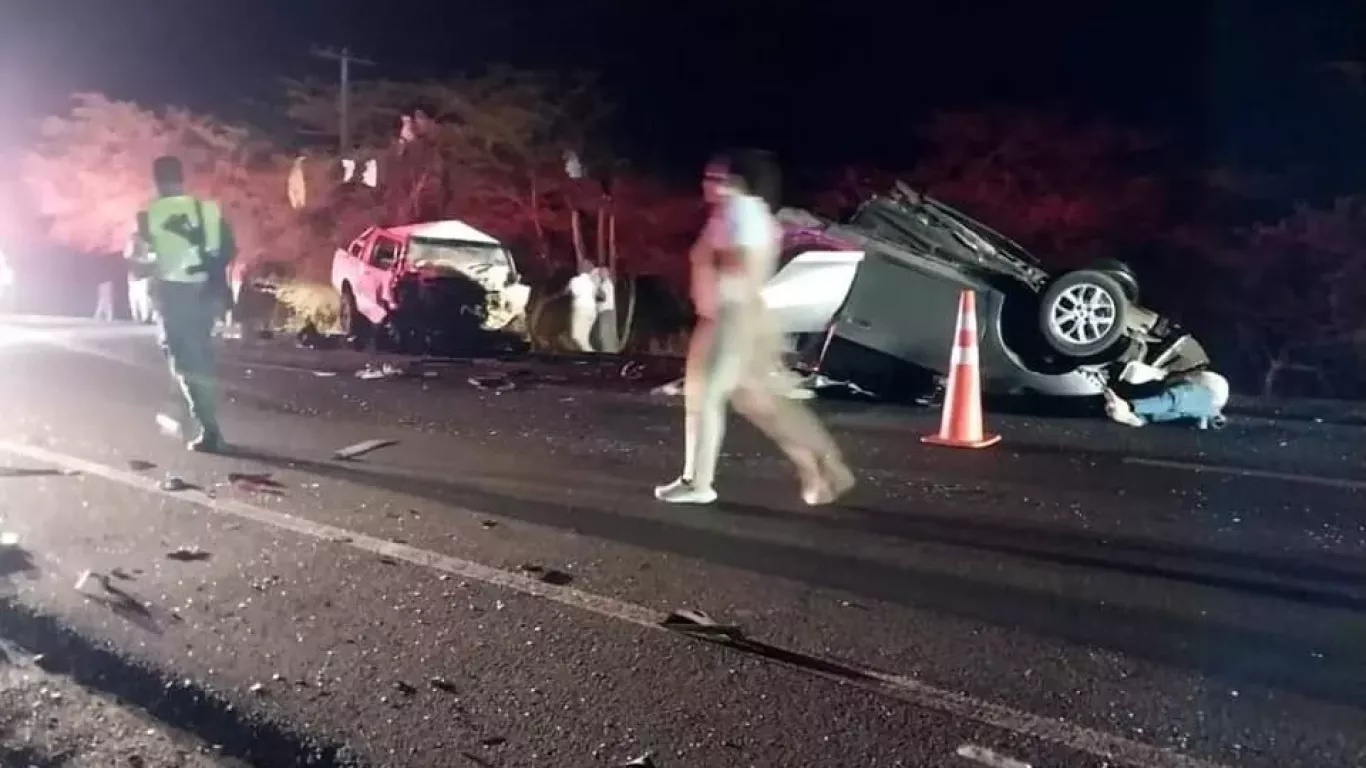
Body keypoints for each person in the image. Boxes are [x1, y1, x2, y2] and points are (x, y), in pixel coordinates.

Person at [654, 149, 854, 506]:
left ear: (738, 182)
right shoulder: (737, 212)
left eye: (718, 178)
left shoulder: (741, 212)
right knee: (753, 402)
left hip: (734, 316)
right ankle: (823, 469)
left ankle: (699, 483)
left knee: (716, 398)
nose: (708, 184)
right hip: (727, 316)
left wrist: (720, 283)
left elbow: (745, 265)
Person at [126, 155, 236, 452]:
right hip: (207, 294)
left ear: (156, 180)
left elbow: (138, 265)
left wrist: (155, 266)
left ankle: (209, 430)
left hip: (174, 296)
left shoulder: (150, 216)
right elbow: (228, 249)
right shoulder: (206, 210)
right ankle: (194, 415)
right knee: (200, 358)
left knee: (186, 363)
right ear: (181, 178)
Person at [1103, 369, 1230, 429]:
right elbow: (1165, 405)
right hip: (1208, 394)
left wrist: (1130, 410)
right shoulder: (1202, 405)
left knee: (1174, 400)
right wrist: (1133, 415)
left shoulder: (1202, 399)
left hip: (1209, 391)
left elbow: (1167, 403)